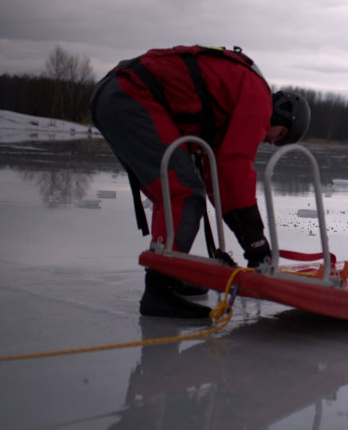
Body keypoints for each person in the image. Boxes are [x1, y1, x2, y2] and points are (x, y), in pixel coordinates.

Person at [89, 45, 311, 318]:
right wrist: (257, 243)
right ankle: (158, 291)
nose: (272, 141)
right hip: (131, 94)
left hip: (117, 94)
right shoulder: (257, 98)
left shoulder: (232, 108)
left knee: (174, 192)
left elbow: (220, 185)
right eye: (280, 135)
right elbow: (235, 168)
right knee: (181, 193)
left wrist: (250, 243)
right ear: (283, 113)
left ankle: (168, 275)